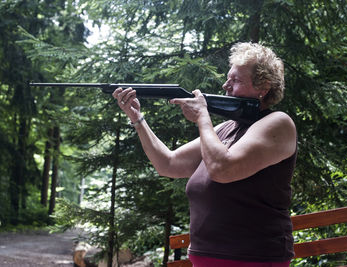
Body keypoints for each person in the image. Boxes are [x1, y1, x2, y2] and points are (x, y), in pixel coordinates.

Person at [113, 42, 297, 267]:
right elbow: (168, 164)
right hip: (208, 258)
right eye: (228, 78)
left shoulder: (278, 123)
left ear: (264, 87)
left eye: (235, 80)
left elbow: (223, 169)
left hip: (254, 259)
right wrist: (137, 119)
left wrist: (202, 116)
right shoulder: (225, 129)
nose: (225, 85)